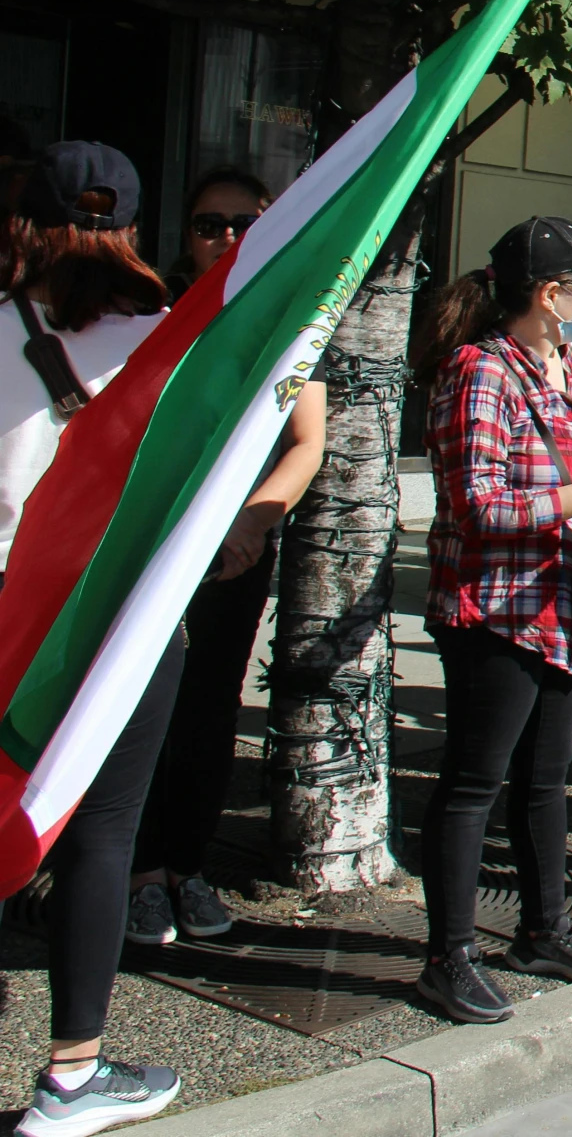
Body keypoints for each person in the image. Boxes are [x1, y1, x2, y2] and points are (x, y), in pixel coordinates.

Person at [410, 216, 572, 1022]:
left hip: (557, 603)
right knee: (473, 783)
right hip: (492, 610)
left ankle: (543, 928)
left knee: (545, 781)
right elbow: (476, 502)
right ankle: (448, 957)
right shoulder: (481, 372)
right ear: (550, 295)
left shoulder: (565, 366)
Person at [1, 143, 182, 1134]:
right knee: (99, 834)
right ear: (132, 231)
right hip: (118, 616)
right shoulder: (175, 342)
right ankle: (71, 1075)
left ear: (26, 223)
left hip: (4, 604)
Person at [127, 169, 328, 948]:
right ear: (186, 233)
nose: (228, 237)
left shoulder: (292, 317)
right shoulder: (153, 308)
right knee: (143, 716)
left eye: (246, 222)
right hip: (149, 550)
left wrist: (253, 522)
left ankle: (186, 864)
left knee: (209, 713)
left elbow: (305, 442)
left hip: (234, 555)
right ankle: (140, 875)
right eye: (212, 223)